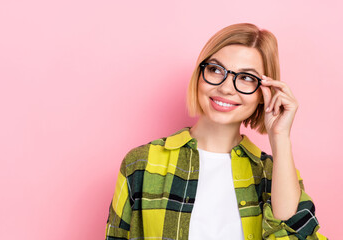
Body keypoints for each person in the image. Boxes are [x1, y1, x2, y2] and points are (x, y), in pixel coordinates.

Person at [105, 23, 327, 240]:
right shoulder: (142, 164)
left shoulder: (275, 173)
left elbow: (295, 237)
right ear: (200, 74)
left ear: (264, 93)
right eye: (215, 69)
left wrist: (280, 137)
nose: (226, 88)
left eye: (247, 78)